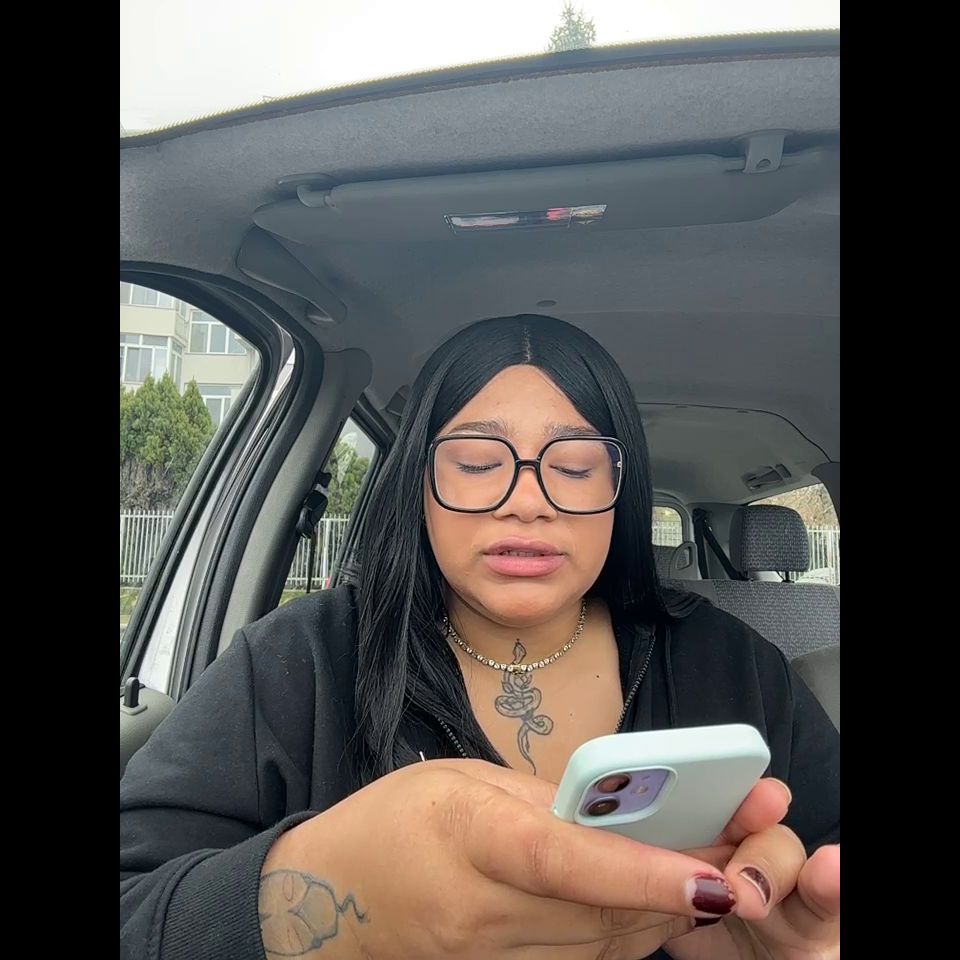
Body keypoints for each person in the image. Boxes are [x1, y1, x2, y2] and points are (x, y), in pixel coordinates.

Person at [121, 315, 840, 960]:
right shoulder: (294, 662)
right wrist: (326, 904)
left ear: (621, 492)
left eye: (574, 468)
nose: (526, 502)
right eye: (475, 464)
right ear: (418, 482)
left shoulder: (733, 663)